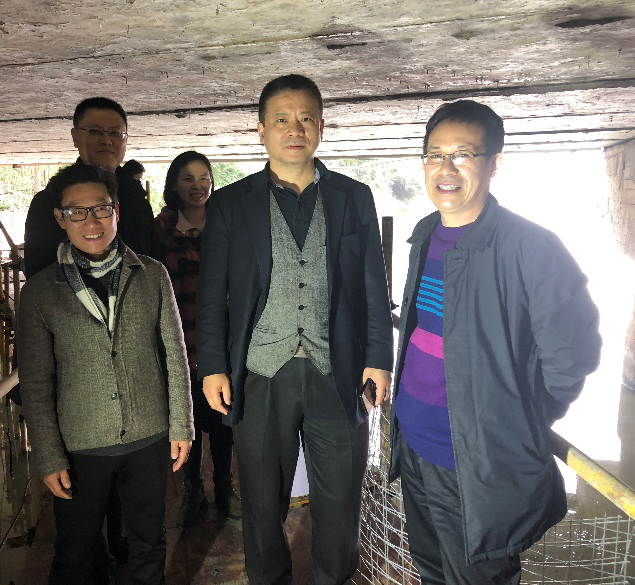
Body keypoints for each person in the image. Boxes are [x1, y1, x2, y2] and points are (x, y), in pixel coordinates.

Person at [387, 100, 602, 584]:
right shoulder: (426, 232)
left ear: (494, 163)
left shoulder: (531, 247)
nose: (446, 169)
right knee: (431, 571)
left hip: (473, 465)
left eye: (463, 155)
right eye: (435, 155)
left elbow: (573, 354)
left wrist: (517, 421)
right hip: (415, 446)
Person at [196, 74, 394, 584]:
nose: (294, 129)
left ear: (321, 127)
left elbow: (373, 284)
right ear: (261, 130)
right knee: (262, 506)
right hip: (261, 373)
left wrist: (379, 357)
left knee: (341, 502)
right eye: (281, 119)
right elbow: (212, 294)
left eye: (306, 118)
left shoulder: (354, 197)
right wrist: (213, 365)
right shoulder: (230, 204)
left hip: (339, 372)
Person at [18, 164, 193, 585]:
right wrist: (48, 454)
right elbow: (36, 383)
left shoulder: (152, 274)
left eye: (101, 209)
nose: (91, 222)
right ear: (60, 218)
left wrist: (181, 424)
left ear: (116, 211)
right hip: (81, 443)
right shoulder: (40, 291)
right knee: (76, 551)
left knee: (149, 542)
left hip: (148, 434)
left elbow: (175, 354)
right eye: (76, 212)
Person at [155, 151, 238, 526]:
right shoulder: (161, 230)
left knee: (222, 418)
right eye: (188, 178)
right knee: (185, 416)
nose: (198, 185)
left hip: (221, 337)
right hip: (179, 335)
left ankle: (223, 487)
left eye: (204, 177)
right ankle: (192, 490)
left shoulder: (226, 224)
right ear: (175, 184)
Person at [23, 97, 160, 280]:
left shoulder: (136, 197)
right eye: (94, 132)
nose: (106, 140)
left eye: (115, 133)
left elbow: (152, 263)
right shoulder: (50, 202)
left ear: (126, 139)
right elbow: (39, 278)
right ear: (75, 137)